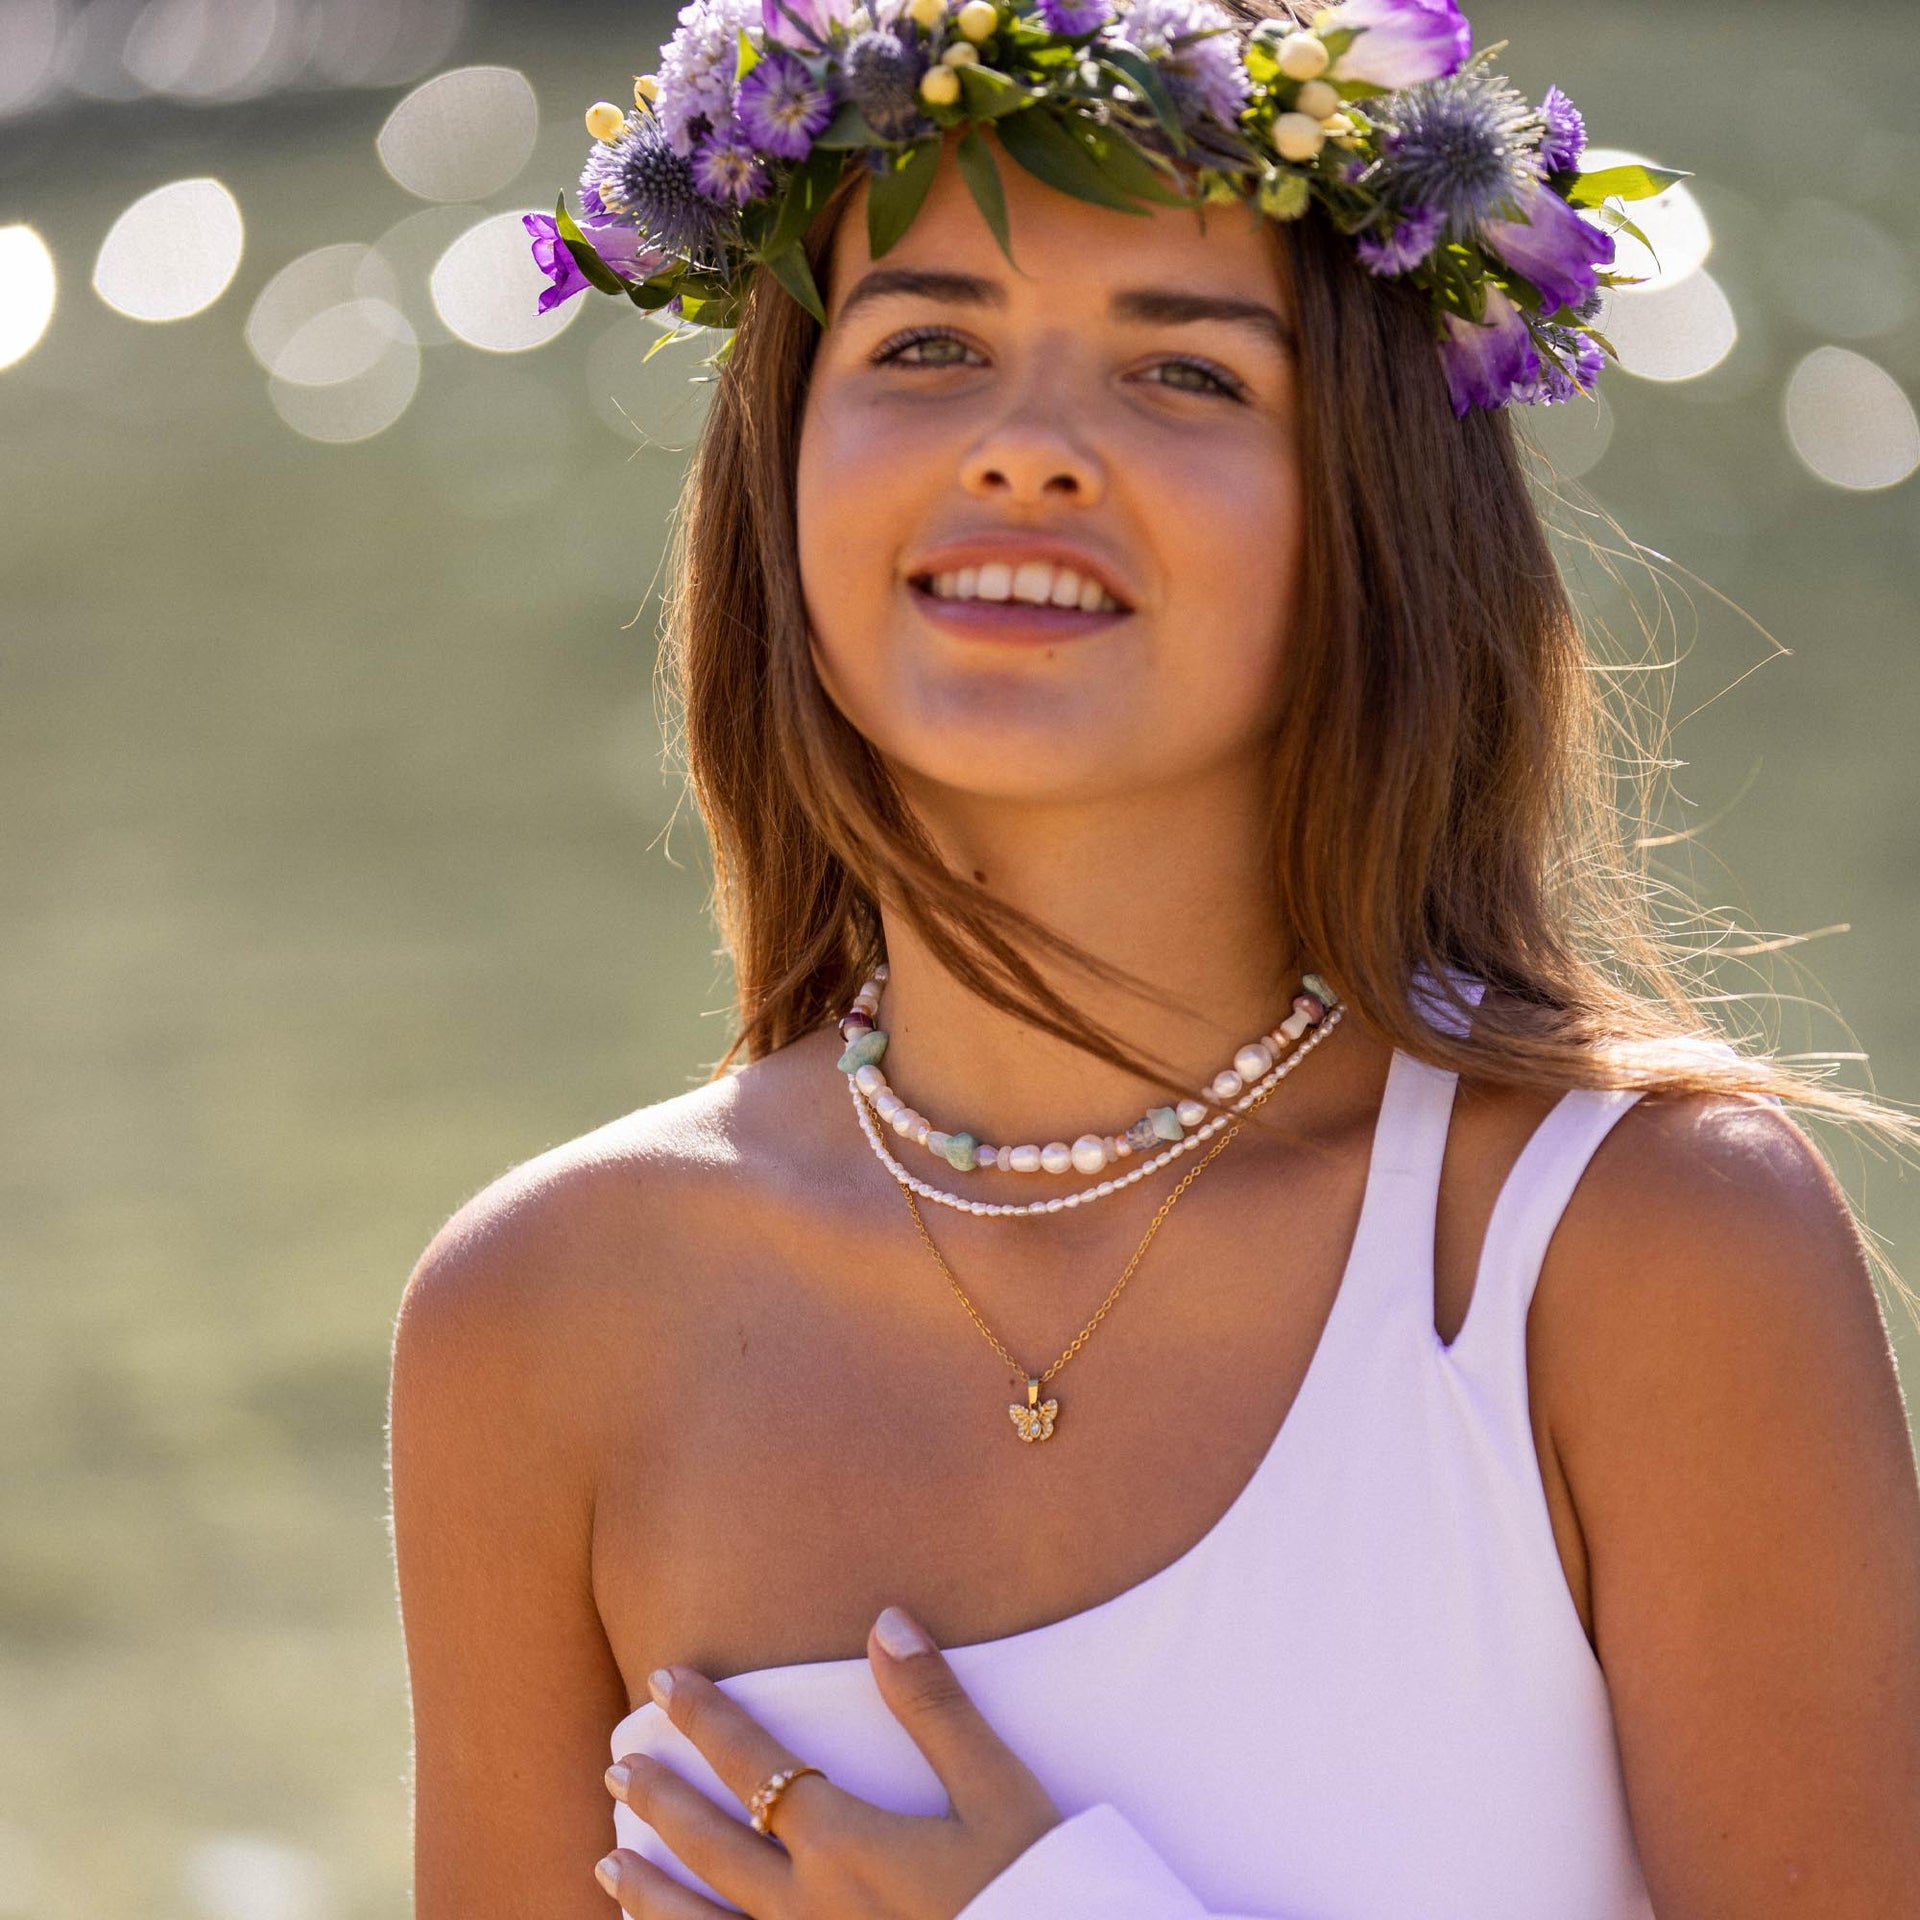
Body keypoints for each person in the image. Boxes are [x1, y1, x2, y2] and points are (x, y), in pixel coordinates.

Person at [389, 2, 1920, 1914]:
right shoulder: (541, 1317)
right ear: (786, 471)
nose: (1028, 452)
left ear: (1372, 509)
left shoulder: (1632, 1250)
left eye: (1186, 377)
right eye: (928, 345)